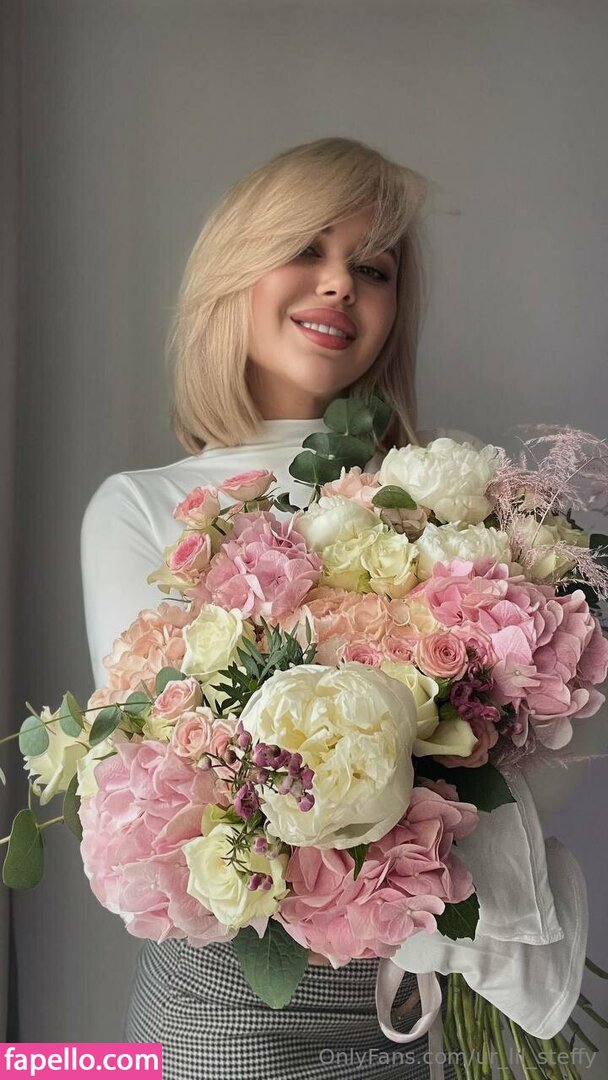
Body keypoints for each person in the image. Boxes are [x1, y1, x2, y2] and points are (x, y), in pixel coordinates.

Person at [81, 136, 476, 1079]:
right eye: (307, 249)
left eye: (371, 268)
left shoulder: (445, 499)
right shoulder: (139, 508)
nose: (339, 284)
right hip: (227, 1005)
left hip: (422, 994)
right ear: (236, 270)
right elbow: (180, 766)